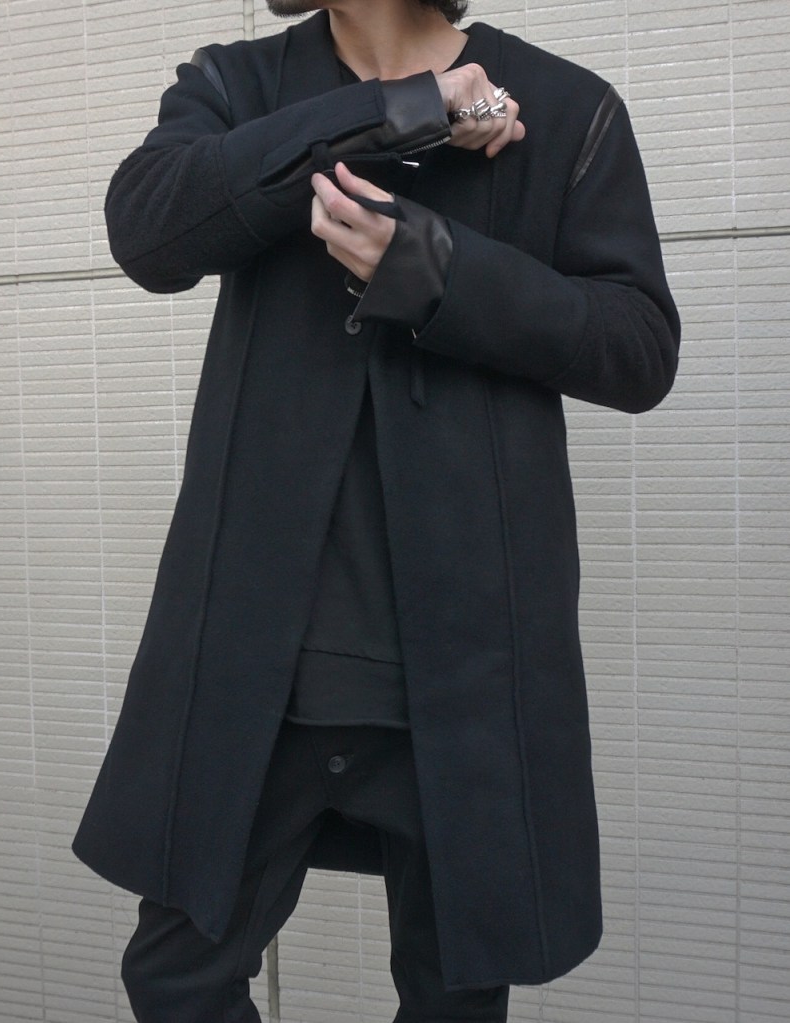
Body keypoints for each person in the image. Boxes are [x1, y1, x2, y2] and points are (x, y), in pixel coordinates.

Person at [72, 0, 680, 1020]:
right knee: (176, 979)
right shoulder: (235, 85)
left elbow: (639, 348)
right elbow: (149, 231)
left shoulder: (569, 109)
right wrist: (396, 111)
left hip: (470, 670)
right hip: (254, 666)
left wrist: (441, 273)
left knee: (453, 999)